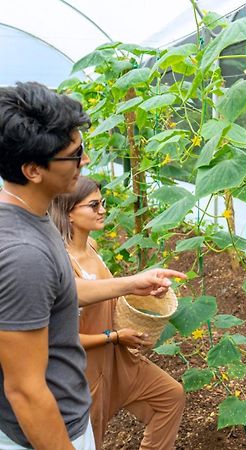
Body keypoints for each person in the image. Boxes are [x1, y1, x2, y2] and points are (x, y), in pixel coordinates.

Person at [0, 82, 185, 450]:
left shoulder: (33, 219)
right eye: (75, 154)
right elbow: (25, 390)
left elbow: (57, 293)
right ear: (33, 169)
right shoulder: (24, 254)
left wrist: (132, 283)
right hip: (49, 431)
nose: (85, 161)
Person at [49, 176, 185, 450]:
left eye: (103, 203)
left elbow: (105, 295)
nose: (102, 210)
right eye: (94, 204)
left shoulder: (92, 247)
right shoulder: (61, 262)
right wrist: (113, 335)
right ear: (69, 213)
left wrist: (142, 292)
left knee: (171, 396)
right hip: (86, 369)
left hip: (118, 359)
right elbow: (60, 338)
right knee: (90, 439)